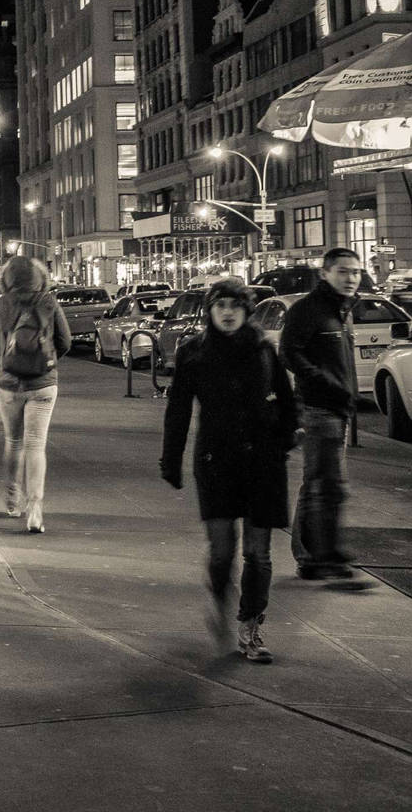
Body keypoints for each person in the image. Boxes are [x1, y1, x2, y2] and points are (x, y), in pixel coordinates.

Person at [161, 277, 299, 663]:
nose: (227, 313)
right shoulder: (193, 352)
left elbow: (287, 402)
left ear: (246, 310)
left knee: (259, 554)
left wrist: (287, 438)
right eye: (220, 305)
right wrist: (170, 460)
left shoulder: (263, 351)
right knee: (222, 551)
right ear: (209, 310)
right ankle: (220, 599)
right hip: (216, 461)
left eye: (235, 306)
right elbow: (178, 410)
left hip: (263, 462)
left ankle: (251, 626)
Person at [281, 246, 365, 581]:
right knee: (327, 485)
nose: (351, 278)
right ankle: (320, 555)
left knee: (319, 484)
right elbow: (289, 352)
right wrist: (323, 383)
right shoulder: (308, 309)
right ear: (325, 273)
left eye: (355, 272)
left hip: (338, 408)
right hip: (318, 409)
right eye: (343, 271)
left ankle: (314, 555)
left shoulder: (342, 310)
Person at [0, 255, 71, 532]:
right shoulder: (49, 301)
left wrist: (6, 363)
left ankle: (12, 499)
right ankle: (35, 510)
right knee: (36, 445)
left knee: (14, 441)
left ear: (6, 278)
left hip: (9, 383)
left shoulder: (0, 304)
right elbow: (65, 341)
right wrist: (48, 360)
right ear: (39, 276)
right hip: (43, 383)